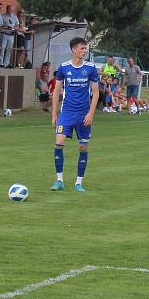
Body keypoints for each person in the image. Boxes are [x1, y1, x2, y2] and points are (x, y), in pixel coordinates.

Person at [50, 37, 100, 192]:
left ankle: (79, 183)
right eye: (82, 48)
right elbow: (57, 91)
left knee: (83, 148)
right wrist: (54, 114)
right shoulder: (64, 68)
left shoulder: (91, 68)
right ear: (74, 50)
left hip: (83, 114)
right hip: (66, 113)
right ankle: (59, 181)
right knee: (59, 143)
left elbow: (96, 93)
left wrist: (91, 114)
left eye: (85, 49)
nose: (84, 51)